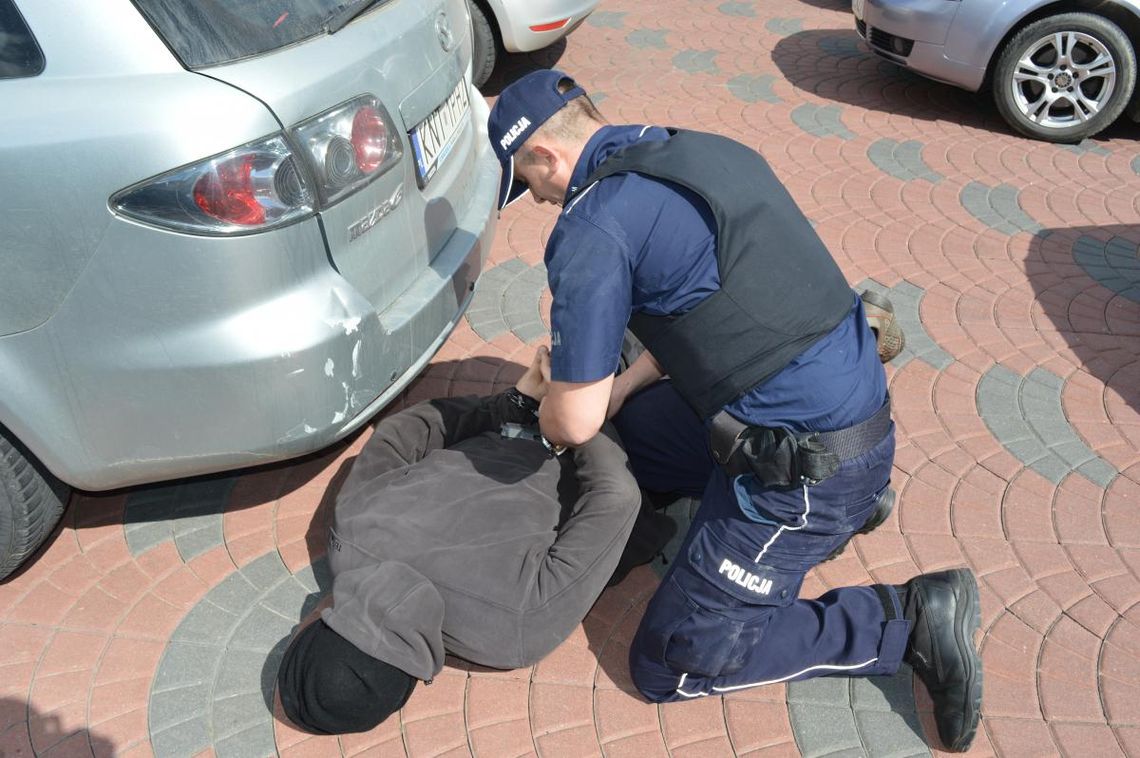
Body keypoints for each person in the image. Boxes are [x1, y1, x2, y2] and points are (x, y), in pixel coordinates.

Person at [486, 69, 982, 752]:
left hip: (809, 465)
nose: (537, 198)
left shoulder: (592, 228)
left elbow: (570, 424)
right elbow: (700, 320)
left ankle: (902, 619)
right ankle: (841, 513)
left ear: (546, 156)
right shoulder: (697, 151)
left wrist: (542, 403)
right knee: (631, 430)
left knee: (671, 664)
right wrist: (621, 387)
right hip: (832, 400)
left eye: (528, 183)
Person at [276, 350, 673, 734]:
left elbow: (616, 499)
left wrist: (563, 410)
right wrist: (529, 406)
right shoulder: (349, 538)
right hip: (591, 434)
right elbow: (402, 433)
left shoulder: (511, 634)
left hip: (598, 442)